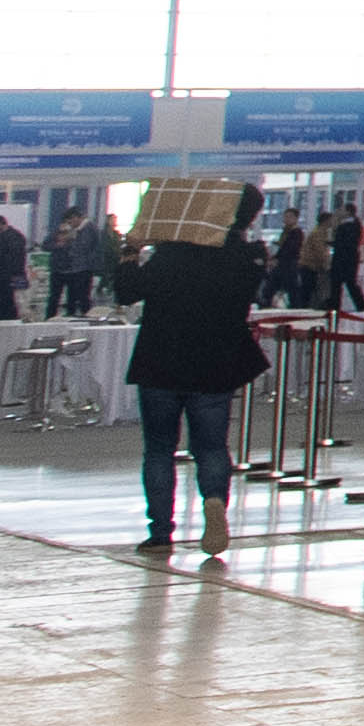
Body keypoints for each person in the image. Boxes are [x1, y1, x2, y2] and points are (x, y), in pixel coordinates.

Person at [106, 187, 267, 559]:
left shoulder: (172, 253)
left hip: (160, 360)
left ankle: (160, 532)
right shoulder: (246, 256)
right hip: (215, 363)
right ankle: (214, 499)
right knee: (211, 446)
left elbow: (127, 293)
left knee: (159, 449)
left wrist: (130, 253)